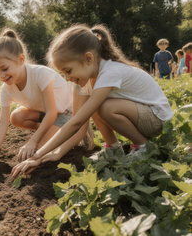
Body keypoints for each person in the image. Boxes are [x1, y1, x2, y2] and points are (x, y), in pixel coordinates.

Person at [11, 24, 174, 178]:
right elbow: (79, 124)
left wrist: (38, 154)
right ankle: (113, 148)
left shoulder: (110, 72)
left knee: (105, 107)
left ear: (88, 58)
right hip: (140, 116)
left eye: (68, 71)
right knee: (95, 107)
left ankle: (143, 146)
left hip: (156, 119)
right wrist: (55, 153)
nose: (67, 78)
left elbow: (75, 122)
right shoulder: (85, 81)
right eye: (64, 73)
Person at [0, 28, 93, 166]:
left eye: (4, 69)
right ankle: (53, 133)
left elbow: (52, 113)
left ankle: (70, 133)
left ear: (21, 59)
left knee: (36, 152)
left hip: (67, 113)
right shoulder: (6, 89)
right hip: (49, 115)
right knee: (16, 117)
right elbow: (3, 122)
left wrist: (33, 141)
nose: (1, 76)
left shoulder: (40, 74)